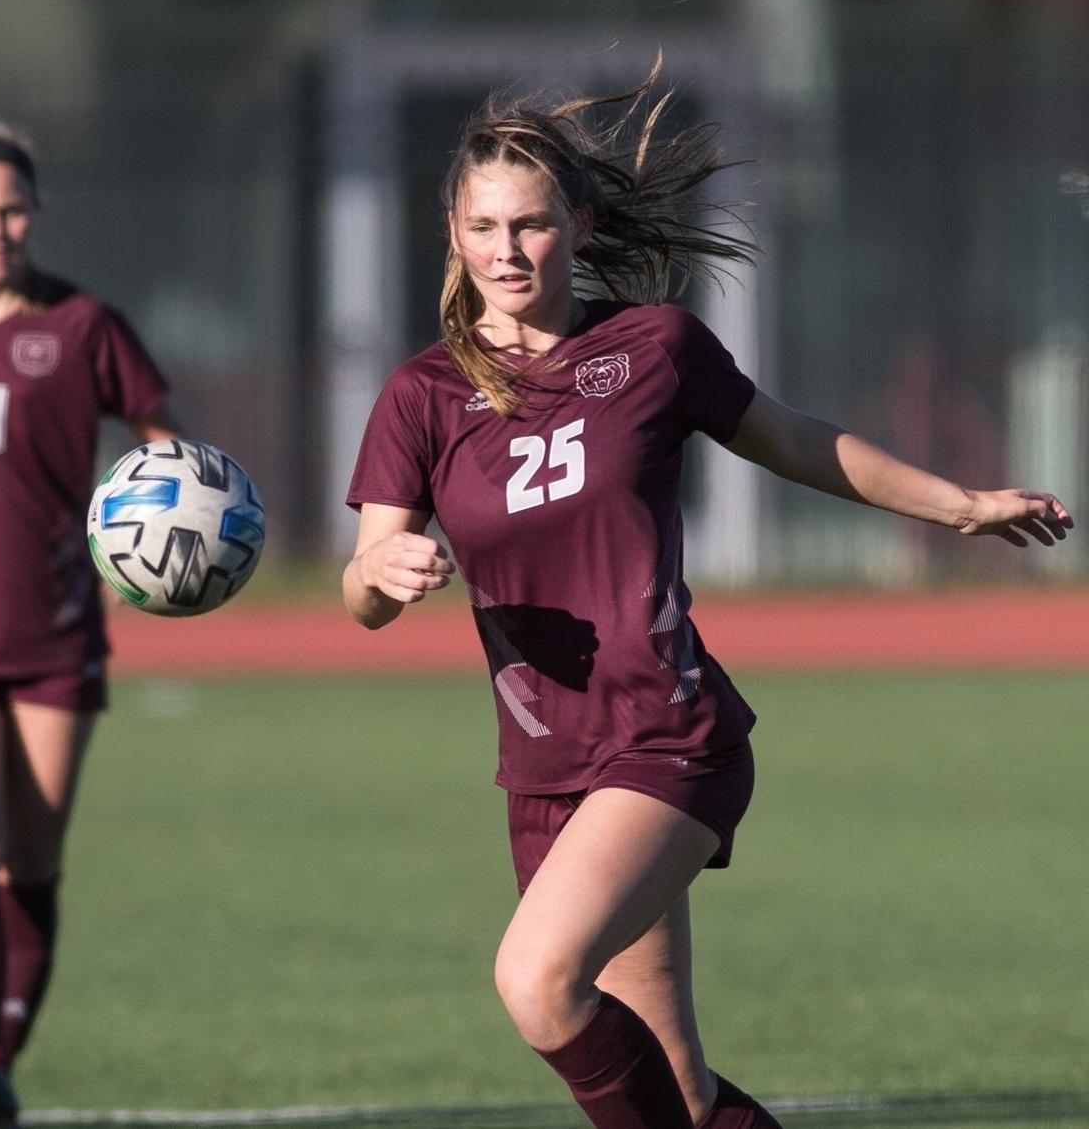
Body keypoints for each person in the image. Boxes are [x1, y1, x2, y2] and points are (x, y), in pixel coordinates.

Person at [342, 59, 1073, 1129]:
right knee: (676, 1089)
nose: (508, 249)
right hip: (544, 764)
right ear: (452, 235)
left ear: (581, 227)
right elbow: (364, 584)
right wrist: (381, 573)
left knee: (537, 983)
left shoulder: (650, 347)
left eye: (533, 224)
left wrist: (960, 506)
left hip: (665, 735)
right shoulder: (422, 395)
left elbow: (798, 442)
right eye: (485, 226)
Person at [0, 120, 177, 1126]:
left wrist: (158, 545)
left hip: (55, 628)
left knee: (36, 861)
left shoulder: (85, 325)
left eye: (12, 209)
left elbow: (166, 451)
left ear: (34, 214)